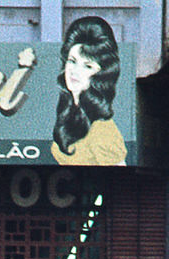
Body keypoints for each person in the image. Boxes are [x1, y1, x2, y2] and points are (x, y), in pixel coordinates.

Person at [51, 16, 126, 166]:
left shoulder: (102, 130)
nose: (75, 71)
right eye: (72, 61)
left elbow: (121, 181)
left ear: (102, 73)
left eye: (88, 66)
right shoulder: (71, 113)